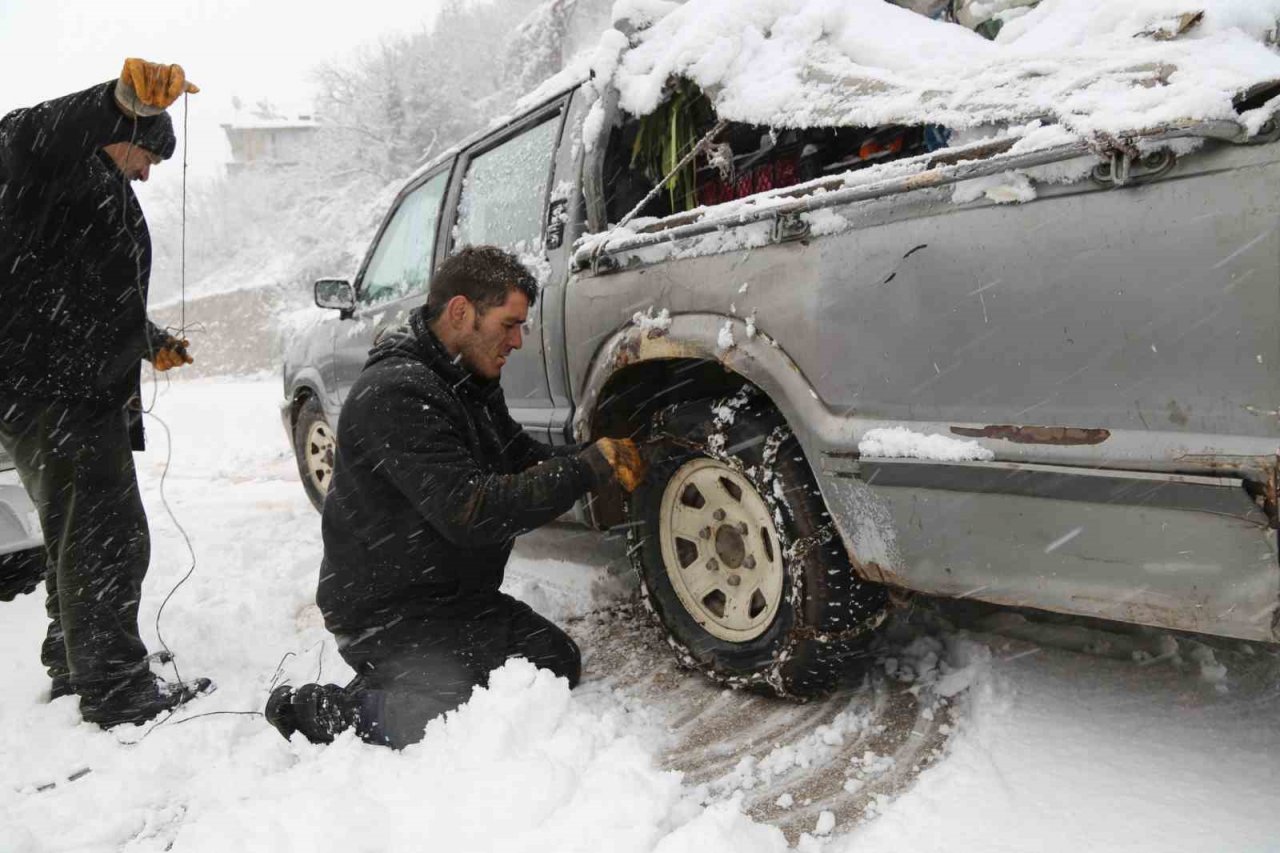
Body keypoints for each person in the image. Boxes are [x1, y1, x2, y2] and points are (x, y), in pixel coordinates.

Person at [266, 246, 647, 748]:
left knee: (554, 663)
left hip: (455, 599)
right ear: (462, 311)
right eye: (509, 324)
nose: (517, 340)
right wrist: (585, 469)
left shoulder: (467, 379)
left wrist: (598, 458)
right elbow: (474, 512)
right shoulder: (396, 395)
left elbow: (517, 454)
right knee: (445, 710)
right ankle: (324, 710)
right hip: (387, 612)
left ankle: (411, 676)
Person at [0, 59, 212, 727]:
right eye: (148, 153)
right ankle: (117, 690)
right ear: (122, 136)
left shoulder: (93, 187)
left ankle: (75, 661)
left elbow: (81, 289)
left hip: (62, 389)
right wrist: (120, 102)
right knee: (106, 536)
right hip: (54, 393)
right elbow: (19, 134)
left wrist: (149, 339)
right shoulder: (50, 167)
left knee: (76, 533)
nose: (148, 172)